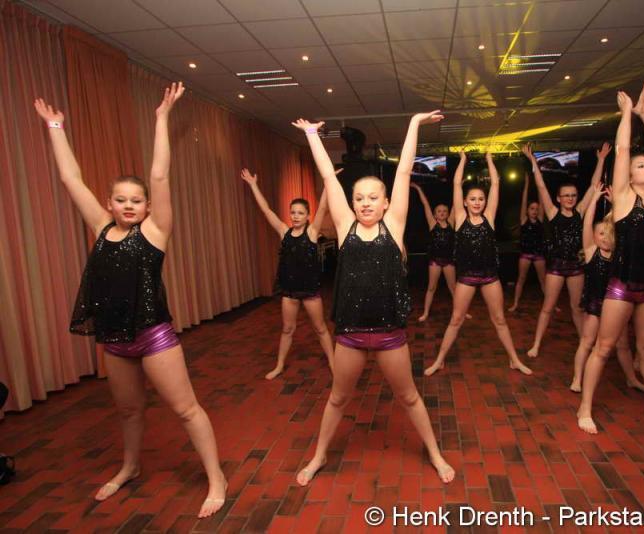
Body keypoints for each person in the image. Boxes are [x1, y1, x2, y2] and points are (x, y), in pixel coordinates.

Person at [34, 83, 226, 518]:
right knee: (128, 410)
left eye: (136, 201)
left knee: (185, 409)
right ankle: (130, 466)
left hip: (153, 335)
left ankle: (216, 477)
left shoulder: (155, 232)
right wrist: (55, 127)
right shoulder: (101, 228)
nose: (128, 205)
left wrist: (161, 119)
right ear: (109, 203)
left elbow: (159, 176)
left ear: (147, 206)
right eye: (120, 200)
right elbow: (71, 180)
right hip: (114, 336)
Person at [292, 112, 455, 486]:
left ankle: (434, 452)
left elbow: (404, 171)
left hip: (389, 335)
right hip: (350, 335)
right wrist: (312, 135)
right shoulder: (345, 226)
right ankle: (319, 455)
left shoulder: (393, 226)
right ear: (352, 203)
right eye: (359, 198)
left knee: (409, 397)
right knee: (337, 398)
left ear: (385, 203)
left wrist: (414, 124)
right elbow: (327, 178)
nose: (365, 203)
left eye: (373, 198)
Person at [576, 83, 644, 434]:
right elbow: (622, 150)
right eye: (642, 165)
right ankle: (585, 408)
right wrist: (626, 115)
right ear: (631, 175)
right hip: (621, 287)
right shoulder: (623, 198)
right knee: (604, 347)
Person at [424, 151, 533, 377]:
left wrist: (490, 160)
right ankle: (439, 361)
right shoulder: (460, 219)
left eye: (480, 199)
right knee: (456, 319)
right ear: (465, 202)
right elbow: (456, 184)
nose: (477, 202)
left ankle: (514, 360)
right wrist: (463, 161)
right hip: (466, 277)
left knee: (499, 319)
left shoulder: (489, 217)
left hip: (490, 276)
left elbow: (495, 185)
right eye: (472, 199)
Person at [240, 168, 335, 379]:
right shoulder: (284, 232)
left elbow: (322, 207)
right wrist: (254, 185)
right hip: (289, 290)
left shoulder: (312, 232)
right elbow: (266, 210)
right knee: (287, 329)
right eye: (293, 212)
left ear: (307, 216)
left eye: (300, 213)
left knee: (320, 329)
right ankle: (279, 365)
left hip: (309, 290)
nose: (296, 216)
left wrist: (328, 182)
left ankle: (333, 362)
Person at [524, 142, 611, 358]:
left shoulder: (580, 211)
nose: (570, 198)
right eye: (566, 195)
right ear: (558, 198)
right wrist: (533, 161)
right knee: (547, 307)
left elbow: (593, 186)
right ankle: (536, 344)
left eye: (573, 195)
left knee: (577, 308)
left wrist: (601, 160)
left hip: (576, 267)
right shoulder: (552, 213)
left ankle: (585, 345)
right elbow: (541, 187)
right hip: (556, 267)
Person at [570, 183, 644, 393]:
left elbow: (623, 225)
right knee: (587, 342)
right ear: (594, 236)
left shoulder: (618, 254)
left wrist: (616, 205)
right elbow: (587, 224)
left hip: (615, 305)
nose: (605, 237)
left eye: (608, 234)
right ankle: (577, 378)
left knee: (622, 345)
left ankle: (631, 378)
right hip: (595, 304)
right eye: (601, 234)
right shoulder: (590, 251)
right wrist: (594, 201)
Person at [409, 182, 461, 322]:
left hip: (448, 260)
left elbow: (456, 204)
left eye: (444, 211)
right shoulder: (432, 224)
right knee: (431, 287)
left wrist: (458, 187)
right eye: (439, 211)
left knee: (453, 288)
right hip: (435, 261)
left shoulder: (451, 222)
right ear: (434, 214)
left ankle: (461, 312)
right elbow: (425, 204)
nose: (442, 213)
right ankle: (426, 313)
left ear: (448, 214)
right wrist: (419, 189)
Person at [508, 172, 546, 312]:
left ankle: (551, 305)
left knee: (543, 280)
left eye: (536, 209)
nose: (535, 211)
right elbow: (524, 202)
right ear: (528, 210)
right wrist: (526, 185)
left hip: (538, 254)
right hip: (525, 254)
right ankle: (515, 304)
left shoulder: (540, 219)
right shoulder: (524, 220)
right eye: (532, 209)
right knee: (521, 279)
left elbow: (542, 200)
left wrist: (539, 183)